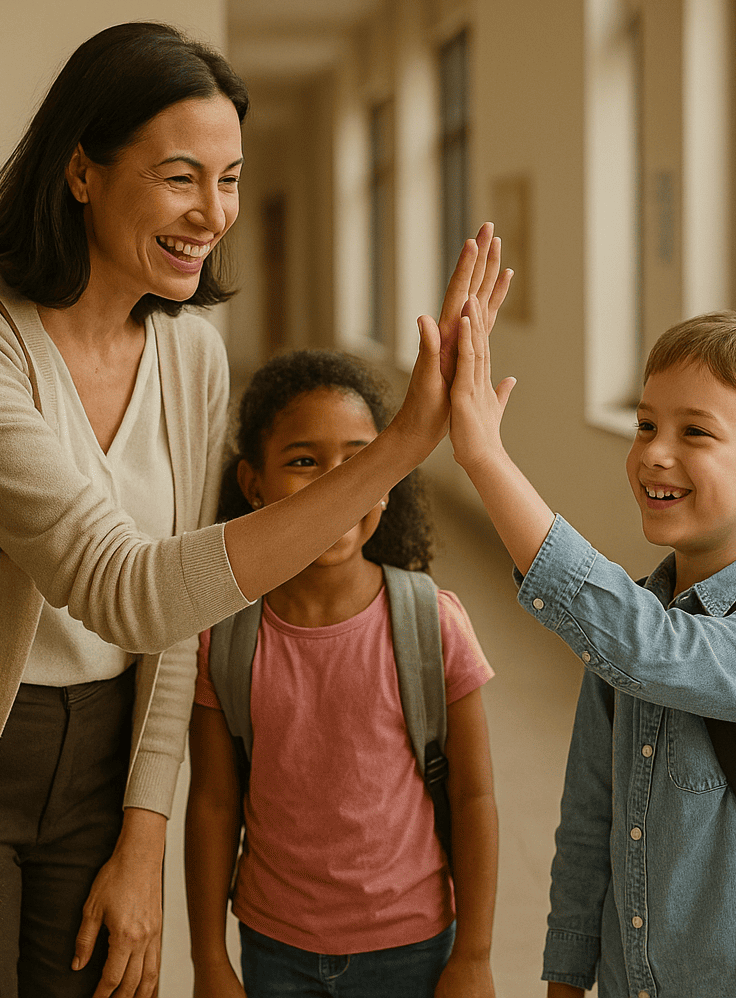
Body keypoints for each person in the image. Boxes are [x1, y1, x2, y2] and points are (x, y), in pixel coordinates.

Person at [0, 21, 509, 998]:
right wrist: (393, 452)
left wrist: (143, 832)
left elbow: (182, 608)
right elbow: (125, 584)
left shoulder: (190, 352)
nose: (214, 214)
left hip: (107, 746)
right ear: (81, 169)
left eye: (231, 178)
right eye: (180, 177)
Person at [446, 306, 736, 996]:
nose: (653, 453)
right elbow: (590, 822)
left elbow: (650, 649)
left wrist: (486, 458)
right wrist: (567, 978)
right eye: (645, 425)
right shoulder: (638, 619)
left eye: (694, 431)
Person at [185, 350, 499, 998]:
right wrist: (209, 960)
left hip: (412, 947)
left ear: (387, 477)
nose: (336, 486)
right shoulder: (227, 636)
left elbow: (473, 797)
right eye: (304, 462)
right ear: (253, 482)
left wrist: (474, 955)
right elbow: (214, 804)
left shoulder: (430, 623)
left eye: (358, 462)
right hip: (275, 949)